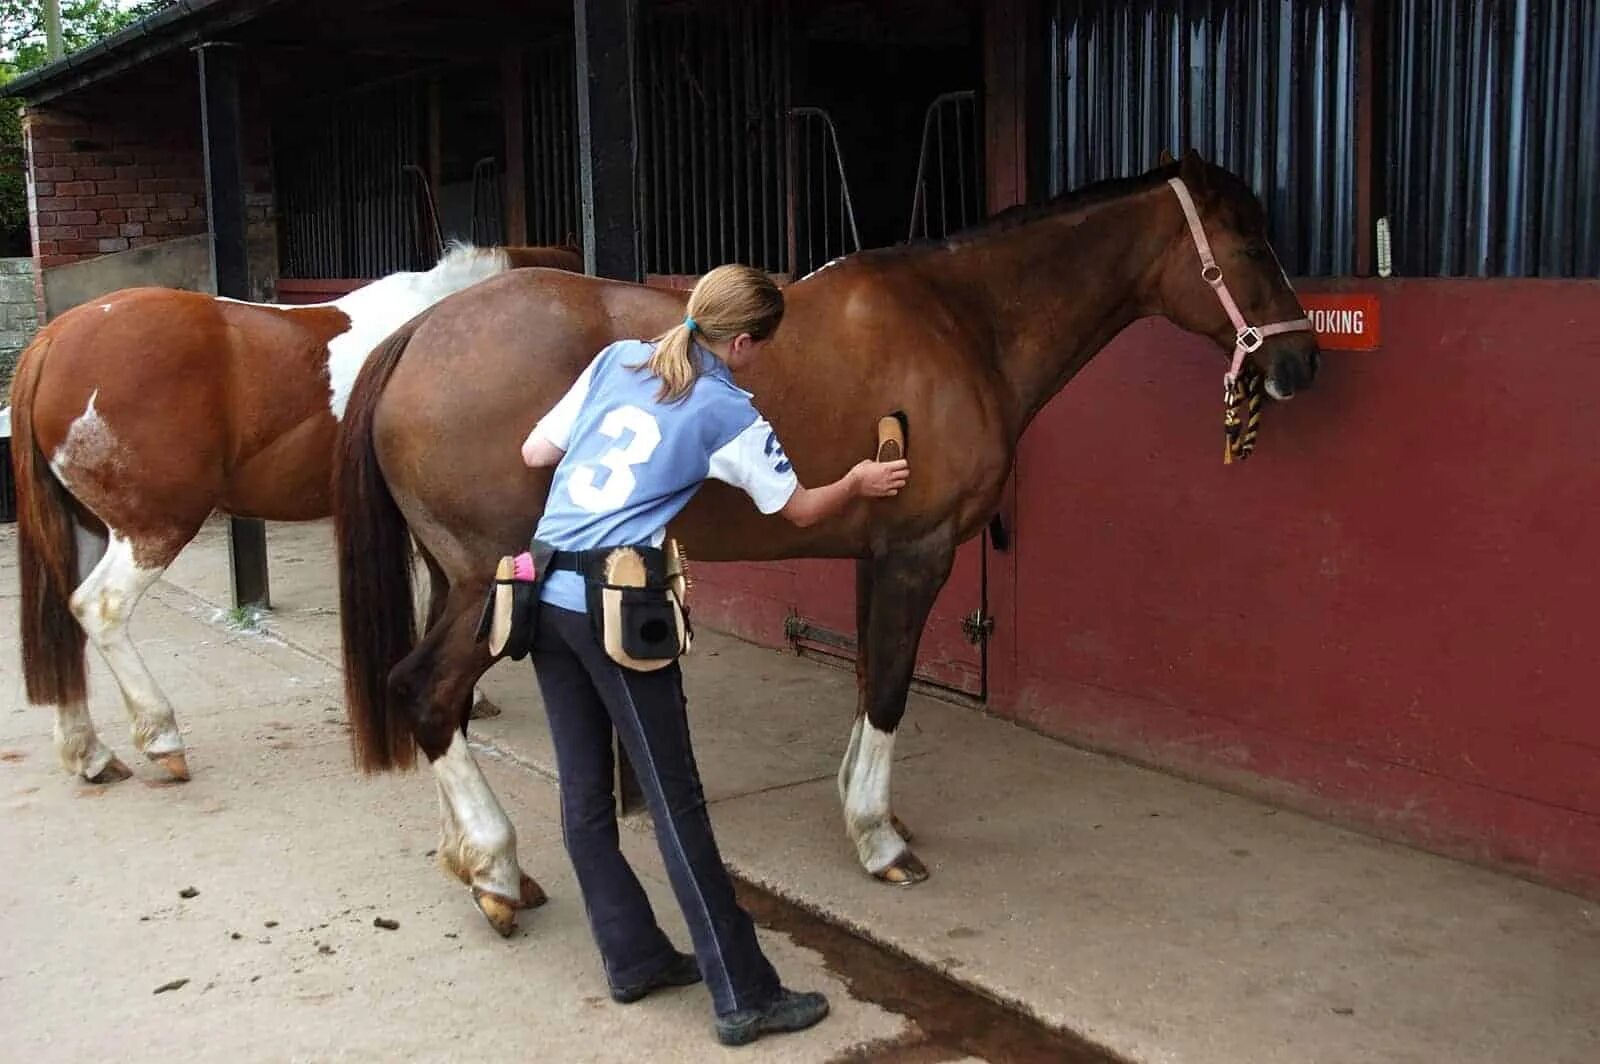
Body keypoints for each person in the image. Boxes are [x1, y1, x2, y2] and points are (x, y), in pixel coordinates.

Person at [519, 264, 909, 1047]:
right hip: (617, 609)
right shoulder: (728, 409)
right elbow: (797, 512)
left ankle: (633, 960)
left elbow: (535, 452)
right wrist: (859, 481)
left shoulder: (614, 360)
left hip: (542, 593)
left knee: (587, 796)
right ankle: (743, 996)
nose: (762, 357)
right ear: (740, 341)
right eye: (763, 344)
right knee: (675, 801)